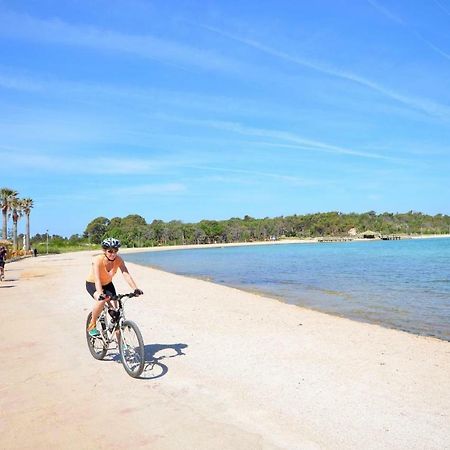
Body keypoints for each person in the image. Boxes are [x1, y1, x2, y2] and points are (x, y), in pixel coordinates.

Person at [86, 237, 143, 337]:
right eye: (110, 251)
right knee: (101, 301)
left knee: (116, 314)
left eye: (115, 251)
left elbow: (125, 273)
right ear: (104, 251)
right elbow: (97, 279)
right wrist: (101, 294)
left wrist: (135, 289)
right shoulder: (97, 260)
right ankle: (92, 325)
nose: (113, 254)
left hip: (108, 284)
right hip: (93, 284)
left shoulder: (118, 260)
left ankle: (121, 345)